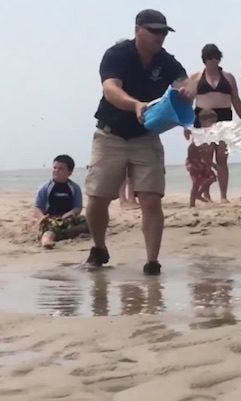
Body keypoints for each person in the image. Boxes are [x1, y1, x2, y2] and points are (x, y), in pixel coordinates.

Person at [85, 9, 191, 275]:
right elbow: (110, 89)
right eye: (154, 31)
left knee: (151, 199)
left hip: (146, 136)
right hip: (110, 134)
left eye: (164, 32)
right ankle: (99, 247)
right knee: (98, 197)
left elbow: (184, 83)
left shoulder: (167, 61)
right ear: (137, 30)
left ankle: (152, 262)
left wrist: (190, 90)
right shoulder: (118, 54)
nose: (160, 36)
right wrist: (134, 104)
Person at [186, 44, 241, 203]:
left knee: (222, 157)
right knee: (205, 158)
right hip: (203, 117)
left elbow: (236, 99)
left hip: (224, 116)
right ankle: (205, 193)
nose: (213, 61)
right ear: (205, 60)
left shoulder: (228, 77)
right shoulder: (196, 77)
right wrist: (187, 125)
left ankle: (224, 195)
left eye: (216, 57)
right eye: (210, 58)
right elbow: (188, 103)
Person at [34, 155, 88, 249]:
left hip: (68, 218)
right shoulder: (45, 188)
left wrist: (70, 214)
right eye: (54, 168)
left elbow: (77, 207)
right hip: (51, 219)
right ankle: (47, 241)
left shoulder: (74, 188)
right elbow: (37, 207)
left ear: (70, 172)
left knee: (88, 221)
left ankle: (67, 233)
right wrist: (42, 218)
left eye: (61, 168)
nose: (56, 170)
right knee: (50, 231)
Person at [186, 109, 218, 207]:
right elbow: (196, 150)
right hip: (193, 162)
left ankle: (199, 194)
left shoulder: (210, 135)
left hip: (201, 161)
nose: (213, 126)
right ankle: (192, 204)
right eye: (211, 123)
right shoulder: (199, 134)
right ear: (202, 122)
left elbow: (205, 152)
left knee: (212, 178)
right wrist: (212, 164)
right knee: (195, 183)